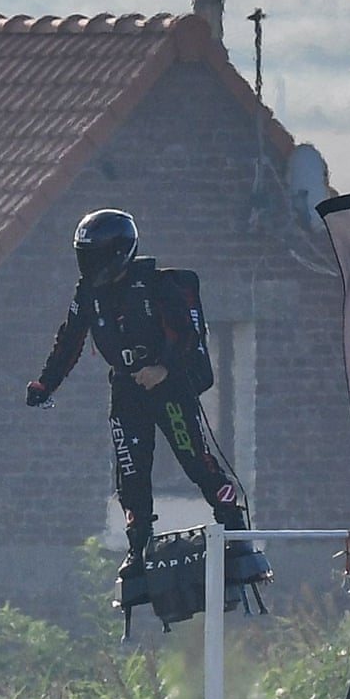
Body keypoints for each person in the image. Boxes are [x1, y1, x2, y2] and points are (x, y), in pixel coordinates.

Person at [24, 209, 259, 606]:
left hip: (168, 388)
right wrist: (45, 383)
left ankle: (233, 526)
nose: (91, 265)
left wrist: (163, 368)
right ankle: (138, 546)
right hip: (126, 391)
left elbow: (190, 335)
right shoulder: (87, 294)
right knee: (130, 468)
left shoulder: (157, 286)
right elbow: (70, 341)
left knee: (194, 457)